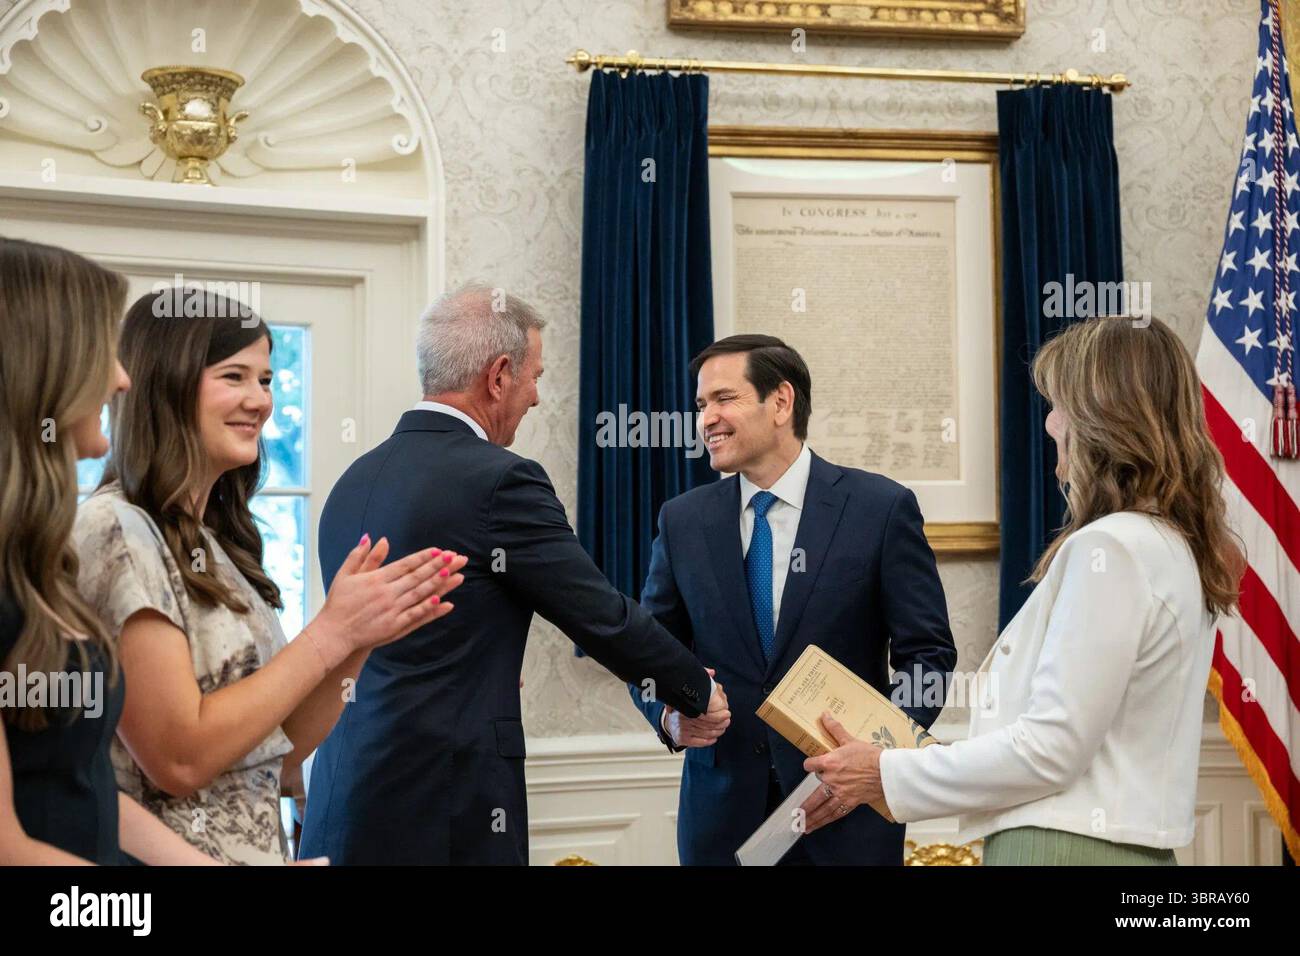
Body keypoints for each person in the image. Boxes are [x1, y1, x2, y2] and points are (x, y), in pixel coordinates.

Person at [299, 281, 726, 865]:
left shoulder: (354, 481)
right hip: (443, 805)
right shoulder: (500, 479)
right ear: (499, 375)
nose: (536, 398)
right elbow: (598, 615)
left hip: (341, 792)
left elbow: (421, 642)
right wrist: (696, 690)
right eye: (536, 378)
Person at [801, 316, 1244, 865]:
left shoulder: (1113, 549)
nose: (1051, 422)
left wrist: (885, 771)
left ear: (1101, 417)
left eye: (1059, 406)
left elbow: (1050, 750)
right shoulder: (1169, 543)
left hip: (1063, 850)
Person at [72, 287, 465, 865]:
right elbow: (178, 760)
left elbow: (278, 761)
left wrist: (357, 641)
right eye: (234, 376)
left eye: (266, 380)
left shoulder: (217, 546)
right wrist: (329, 633)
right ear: (167, 382)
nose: (259, 401)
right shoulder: (117, 529)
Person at [627, 334, 957, 865]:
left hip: (849, 822)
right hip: (721, 826)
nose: (705, 419)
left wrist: (874, 759)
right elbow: (647, 649)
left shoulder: (880, 508)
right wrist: (670, 716)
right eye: (700, 405)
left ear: (781, 402)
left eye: (723, 399)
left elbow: (929, 658)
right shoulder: (683, 520)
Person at [0, 238, 229, 864]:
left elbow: (85, 788)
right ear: (43, 364)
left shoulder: (33, 558)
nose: (122, 379)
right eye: (104, 352)